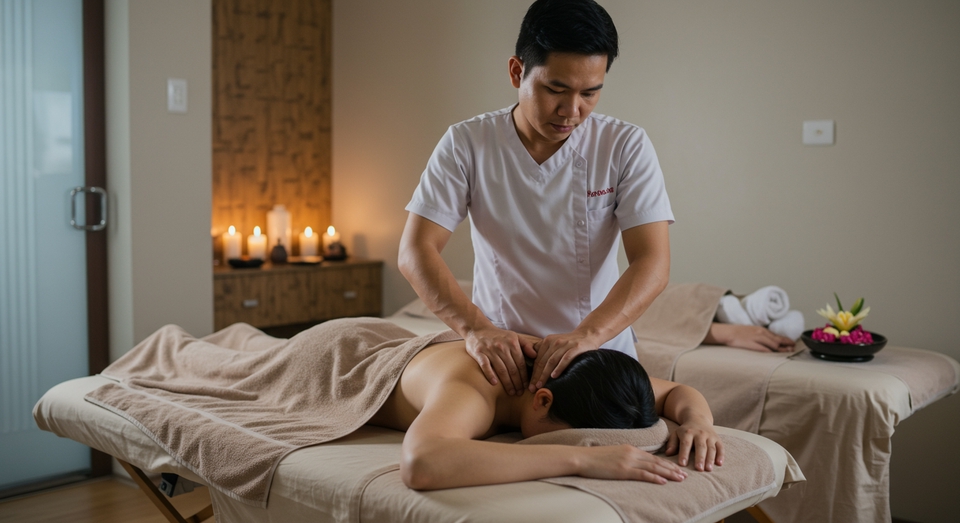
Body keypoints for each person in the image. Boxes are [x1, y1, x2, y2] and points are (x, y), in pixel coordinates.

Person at [400, 0, 674, 398]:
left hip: (597, 354)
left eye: (590, 93)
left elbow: (652, 262)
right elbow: (416, 250)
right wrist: (477, 330)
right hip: (503, 357)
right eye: (555, 90)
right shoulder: (468, 143)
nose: (572, 111)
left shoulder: (624, 145)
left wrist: (587, 335)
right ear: (517, 72)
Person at [367, 335, 724, 490]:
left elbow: (676, 391)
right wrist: (582, 458)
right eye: (572, 436)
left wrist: (698, 421)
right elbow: (421, 463)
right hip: (356, 354)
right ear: (542, 400)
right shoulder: (473, 392)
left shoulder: (580, 375)